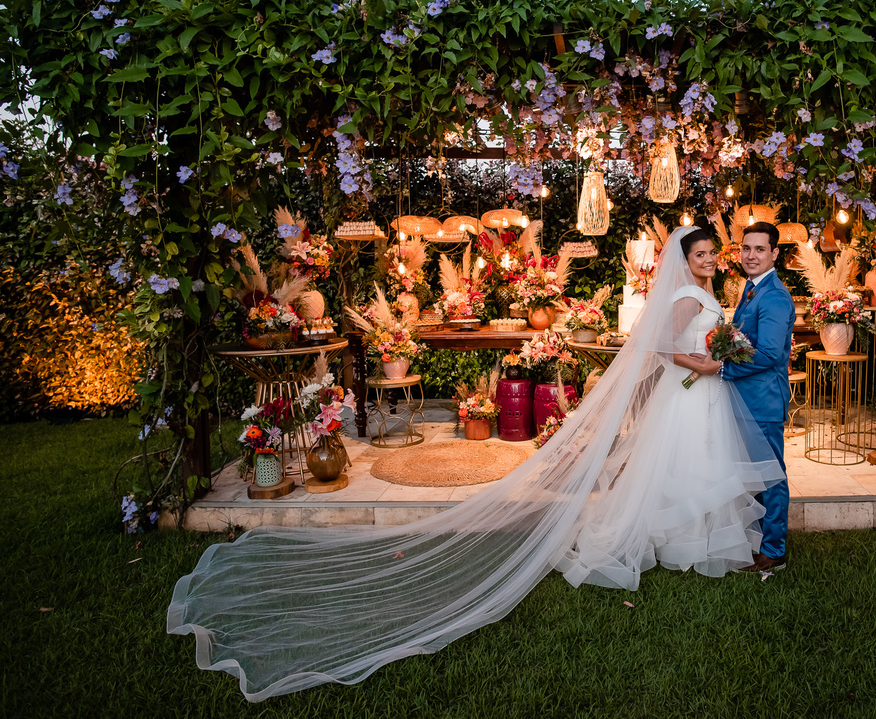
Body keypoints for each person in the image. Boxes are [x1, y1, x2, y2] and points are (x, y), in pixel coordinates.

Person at [167, 226, 783, 702]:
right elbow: (667, 348)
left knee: (695, 469)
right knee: (680, 469)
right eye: (700, 253)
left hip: (702, 395)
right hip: (694, 391)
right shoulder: (683, 293)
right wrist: (705, 363)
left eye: (711, 254)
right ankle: (681, 540)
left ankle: (690, 540)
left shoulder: (709, 292)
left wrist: (714, 357)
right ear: (686, 257)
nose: (707, 260)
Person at [722, 222, 795, 573]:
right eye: (746, 248)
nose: (751, 255)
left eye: (759, 249)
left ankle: (774, 552)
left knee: (771, 477)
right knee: (755, 474)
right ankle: (759, 541)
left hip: (764, 400)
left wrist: (723, 370)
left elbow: (767, 354)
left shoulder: (775, 296)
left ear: (774, 253)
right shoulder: (752, 289)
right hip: (747, 399)